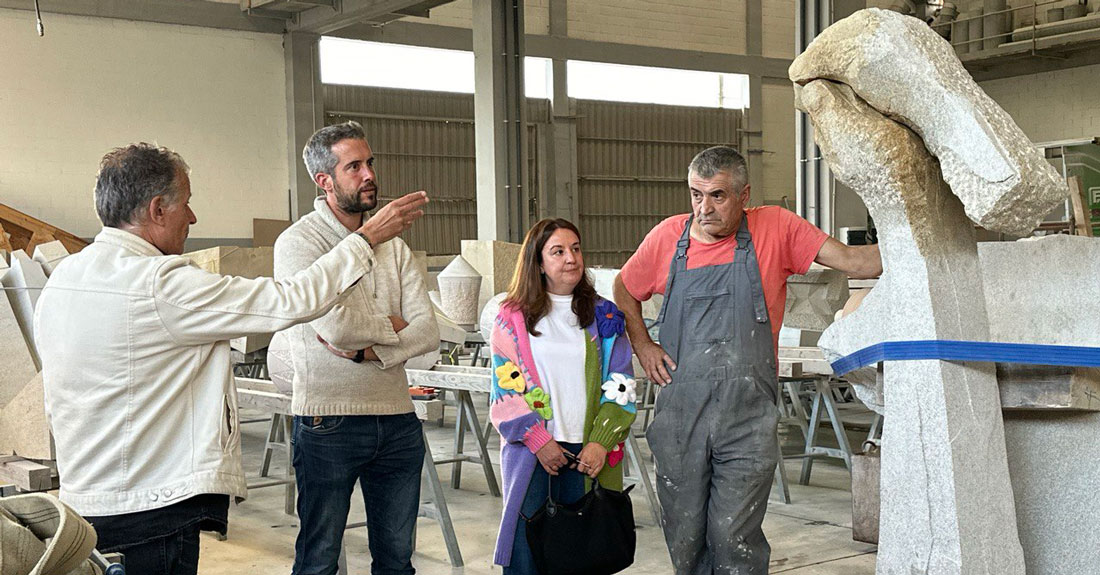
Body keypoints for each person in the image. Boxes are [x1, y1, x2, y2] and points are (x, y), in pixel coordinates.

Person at [34, 143, 428, 575]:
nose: (193, 218)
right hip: (150, 509)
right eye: (186, 203)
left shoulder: (65, 278)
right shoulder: (161, 285)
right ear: (157, 210)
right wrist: (366, 240)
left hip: (83, 502)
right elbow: (293, 300)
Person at [612, 145, 881, 574]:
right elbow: (624, 289)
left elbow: (854, 262)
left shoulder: (775, 227)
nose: (704, 208)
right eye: (696, 195)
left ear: (744, 194)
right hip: (681, 415)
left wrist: (923, 244)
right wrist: (643, 343)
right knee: (685, 530)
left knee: (733, 534)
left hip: (746, 416)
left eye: (717, 195)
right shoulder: (667, 238)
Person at [273, 121, 439, 575]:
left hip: (397, 417)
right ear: (323, 181)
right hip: (330, 420)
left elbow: (427, 332)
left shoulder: (397, 249)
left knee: (397, 560)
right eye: (354, 166)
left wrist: (374, 351)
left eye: (370, 163)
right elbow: (336, 327)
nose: (369, 175)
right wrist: (392, 326)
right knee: (319, 558)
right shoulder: (298, 243)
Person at [488, 218, 638, 574]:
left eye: (575, 248)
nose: (571, 258)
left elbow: (622, 384)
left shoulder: (604, 317)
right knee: (527, 552)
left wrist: (601, 443)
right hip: (534, 452)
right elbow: (504, 390)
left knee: (581, 554)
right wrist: (539, 440)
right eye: (557, 251)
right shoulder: (512, 318)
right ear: (538, 263)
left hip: (588, 455)